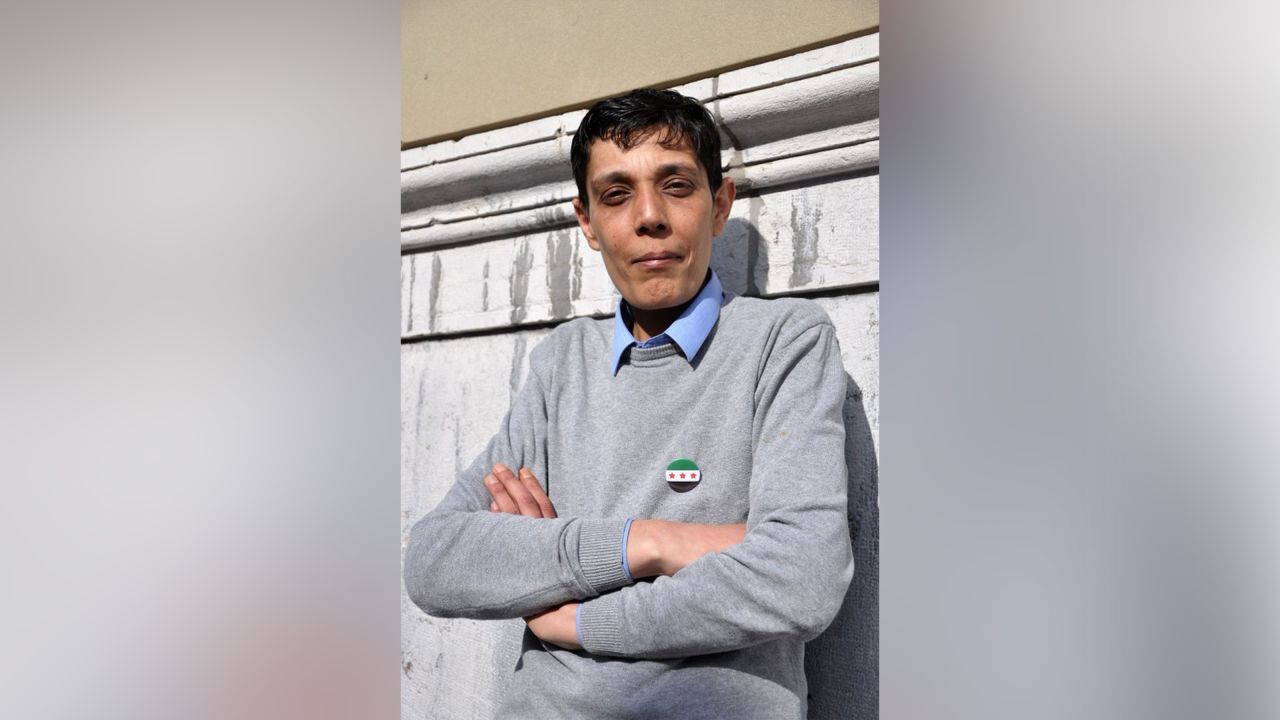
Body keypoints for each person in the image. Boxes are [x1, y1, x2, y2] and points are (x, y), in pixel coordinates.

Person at [404, 88, 853, 719]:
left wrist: (579, 619)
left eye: (676, 185)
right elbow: (435, 560)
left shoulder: (783, 342)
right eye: (616, 194)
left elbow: (802, 575)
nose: (649, 217)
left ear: (719, 204)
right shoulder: (563, 363)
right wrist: (650, 542)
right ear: (585, 221)